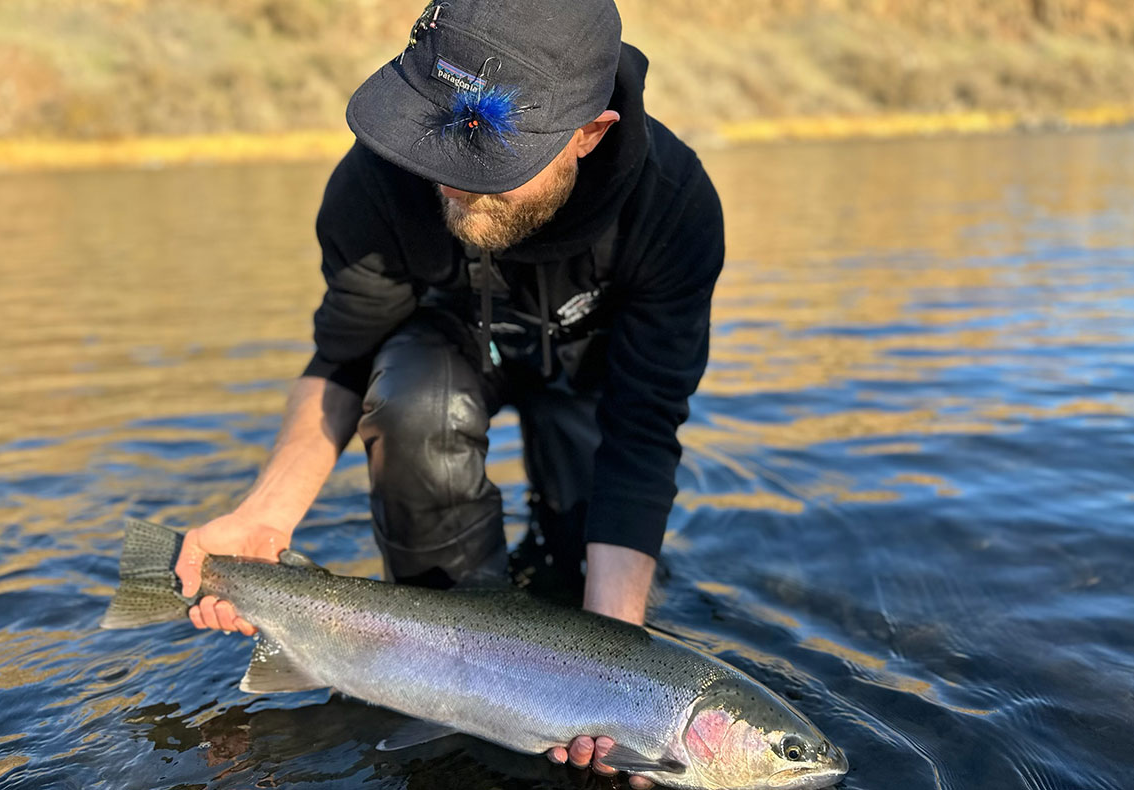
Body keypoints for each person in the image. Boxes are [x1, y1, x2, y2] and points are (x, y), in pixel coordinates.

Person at [174, 0, 723, 784]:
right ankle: (438, 661)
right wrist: (264, 517)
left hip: (591, 380)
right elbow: (341, 361)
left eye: (488, 167)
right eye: (436, 146)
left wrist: (609, 673)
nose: (449, 182)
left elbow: (644, 431)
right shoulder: (378, 181)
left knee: (586, 569)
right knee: (412, 401)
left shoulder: (673, 206)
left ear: (588, 133)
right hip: (441, 355)